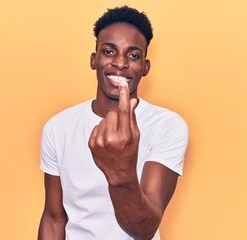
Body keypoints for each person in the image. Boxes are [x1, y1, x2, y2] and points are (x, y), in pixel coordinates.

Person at [38, 6, 188, 240]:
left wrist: (121, 171)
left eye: (133, 55)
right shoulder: (58, 127)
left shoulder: (167, 125)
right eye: (108, 52)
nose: (120, 63)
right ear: (93, 60)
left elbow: (144, 229)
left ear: (145, 67)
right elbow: (54, 218)